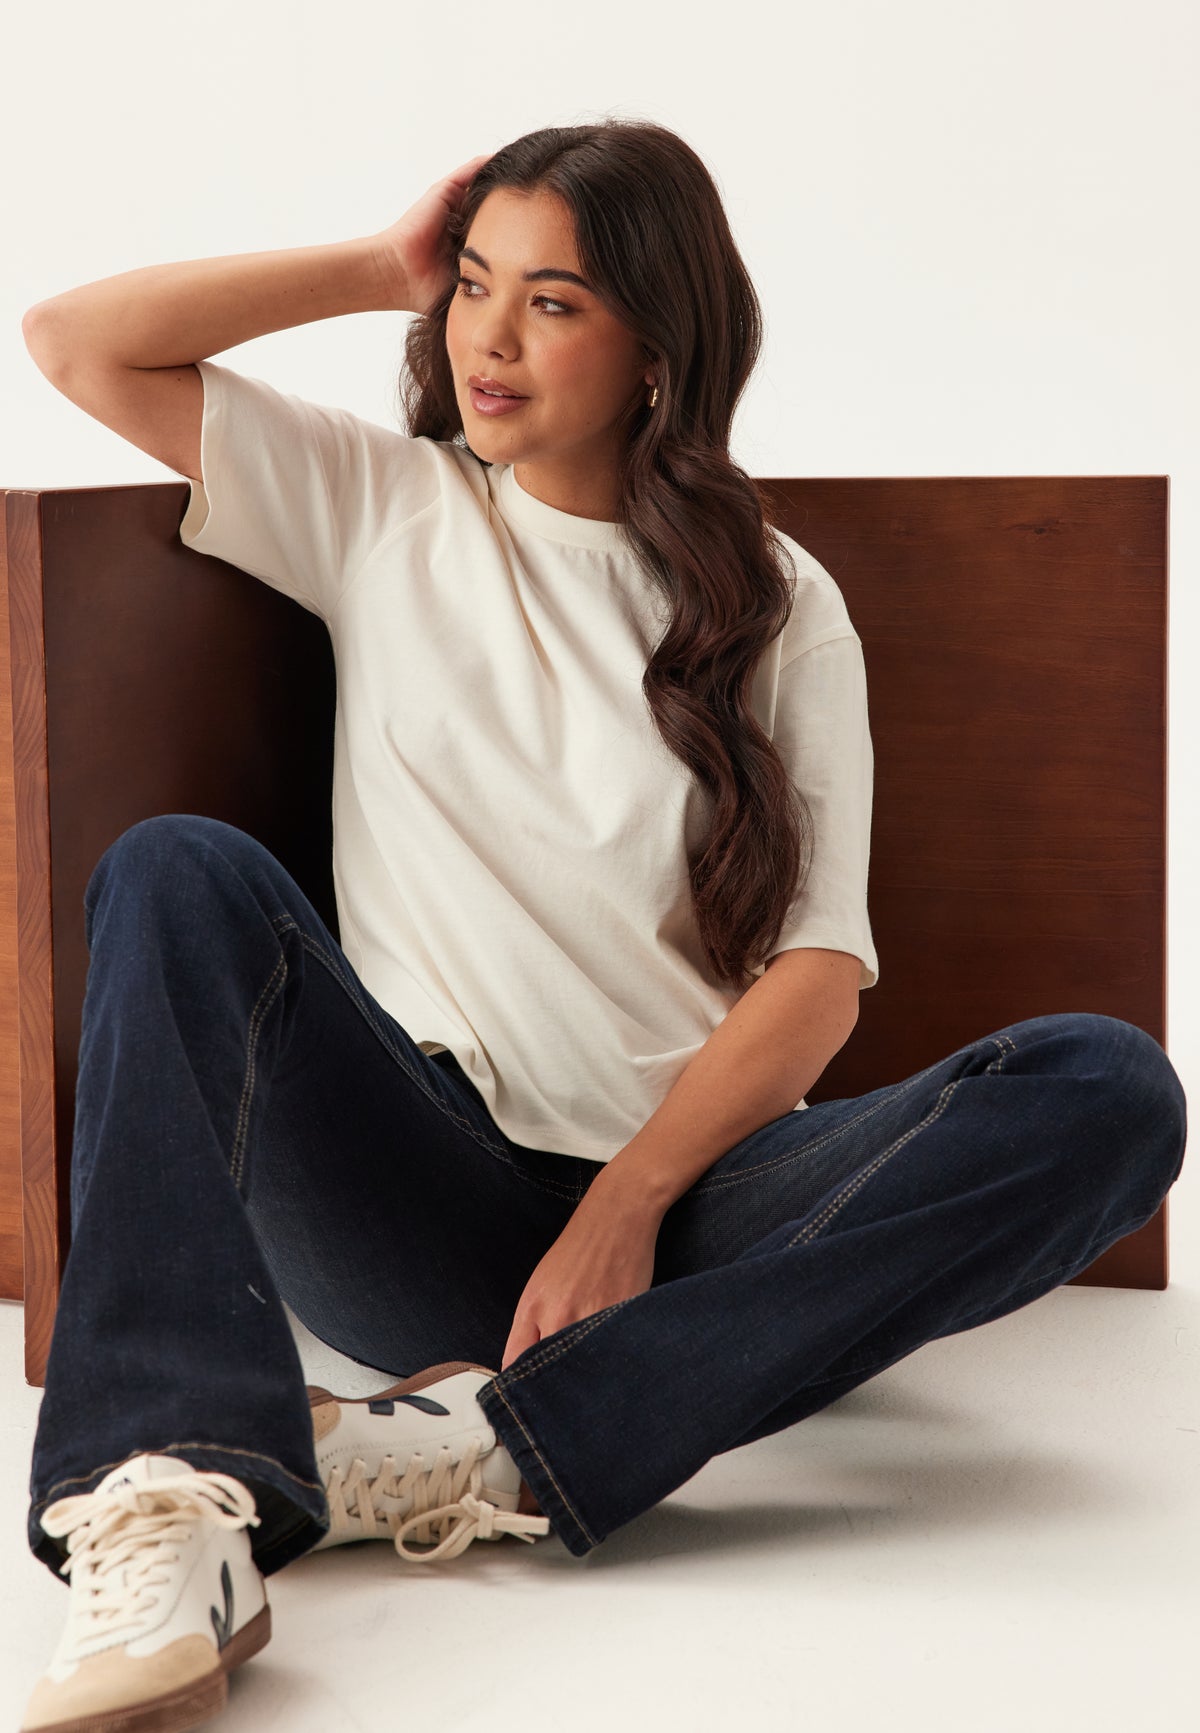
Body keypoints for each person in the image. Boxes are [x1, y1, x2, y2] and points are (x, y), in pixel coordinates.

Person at [17, 116, 1187, 1733]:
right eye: (475, 286)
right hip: (416, 1194)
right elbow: (74, 341)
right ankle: (170, 1489)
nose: (488, 338)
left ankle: (488, 1448)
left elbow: (819, 974)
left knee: (1111, 1089)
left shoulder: (775, 601)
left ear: (657, 347)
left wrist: (630, 1200)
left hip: (690, 1210)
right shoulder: (381, 504)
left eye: (553, 301)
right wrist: (376, 267)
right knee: (173, 868)